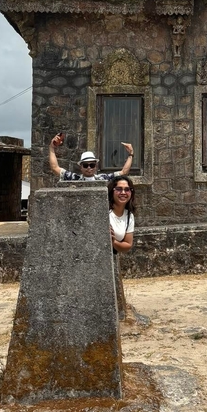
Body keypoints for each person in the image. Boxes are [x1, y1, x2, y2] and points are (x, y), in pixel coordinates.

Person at [48, 134, 133, 181]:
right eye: (85, 165)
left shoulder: (103, 179)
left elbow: (124, 172)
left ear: (95, 166)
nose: (89, 168)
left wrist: (131, 154)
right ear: (81, 167)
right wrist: (52, 147)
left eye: (92, 165)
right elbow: (55, 168)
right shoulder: (74, 178)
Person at [109, 176, 135, 321]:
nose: (123, 192)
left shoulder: (129, 216)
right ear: (112, 191)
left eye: (127, 189)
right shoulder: (104, 212)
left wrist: (113, 242)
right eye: (119, 189)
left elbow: (128, 245)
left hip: (112, 259)